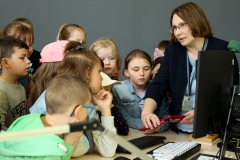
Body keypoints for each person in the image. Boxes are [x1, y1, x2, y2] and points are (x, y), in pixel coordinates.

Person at [141, 2, 239, 134]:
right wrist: (146, 112)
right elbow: (158, 85)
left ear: (196, 21)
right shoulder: (173, 51)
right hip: (178, 129)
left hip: (213, 131)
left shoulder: (222, 50)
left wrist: (202, 113)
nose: (178, 32)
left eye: (182, 25)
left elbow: (231, 95)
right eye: (174, 28)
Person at [30, 41, 117, 157]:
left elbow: (108, 151)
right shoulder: (54, 102)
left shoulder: (88, 104)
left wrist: (105, 110)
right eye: (99, 72)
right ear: (87, 73)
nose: (102, 78)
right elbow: (51, 152)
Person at [0, 74, 92, 159]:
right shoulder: (53, 151)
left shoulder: (24, 119)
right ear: (78, 112)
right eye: (87, 107)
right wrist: (69, 144)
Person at [112, 49, 170, 134]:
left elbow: (166, 117)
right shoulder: (117, 89)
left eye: (146, 69)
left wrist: (158, 127)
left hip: (154, 135)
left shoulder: (158, 89)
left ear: (151, 70)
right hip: (130, 134)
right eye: (136, 70)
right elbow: (123, 118)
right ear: (126, 72)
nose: (142, 73)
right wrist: (145, 125)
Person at [90, 38, 129, 135]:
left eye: (111, 58)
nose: (107, 62)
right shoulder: (95, 83)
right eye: (102, 59)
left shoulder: (115, 80)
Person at [0, 22, 35, 108]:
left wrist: (31, 97)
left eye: (30, 44)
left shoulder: (22, 74)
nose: (29, 49)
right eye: (23, 44)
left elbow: (32, 87)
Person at [0, 37, 31, 130]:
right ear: (6, 62)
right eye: (22, 58)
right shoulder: (2, 91)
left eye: (28, 58)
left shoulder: (21, 87)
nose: (28, 61)